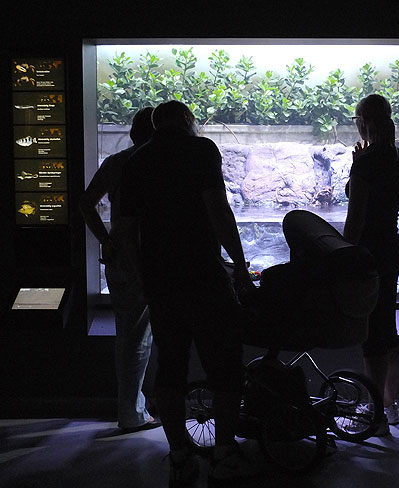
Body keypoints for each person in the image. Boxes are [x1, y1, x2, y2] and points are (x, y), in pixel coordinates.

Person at [119, 101, 256, 487]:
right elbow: (219, 210)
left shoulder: (136, 161)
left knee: (171, 367)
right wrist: (240, 267)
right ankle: (224, 454)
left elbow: (125, 229)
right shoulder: (201, 150)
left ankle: (180, 456)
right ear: (185, 121)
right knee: (225, 366)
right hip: (204, 275)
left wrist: (142, 277)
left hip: (161, 281)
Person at [79, 106, 159, 432]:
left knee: (129, 333)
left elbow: (86, 203)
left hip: (119, 257)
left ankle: (134, 405)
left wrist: (105, 241)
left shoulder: (116, 162)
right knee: (138, 338)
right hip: (144, 257)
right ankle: (132, 413)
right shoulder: (156, 163)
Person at [344, 94, 399, 436]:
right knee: (388, 322)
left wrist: (344, 254)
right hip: (390, 246)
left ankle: (374, 413)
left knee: (371, 329)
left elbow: (356, 216)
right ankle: (389, 404)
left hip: (368, 249)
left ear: (364, 121)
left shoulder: (367, 161)